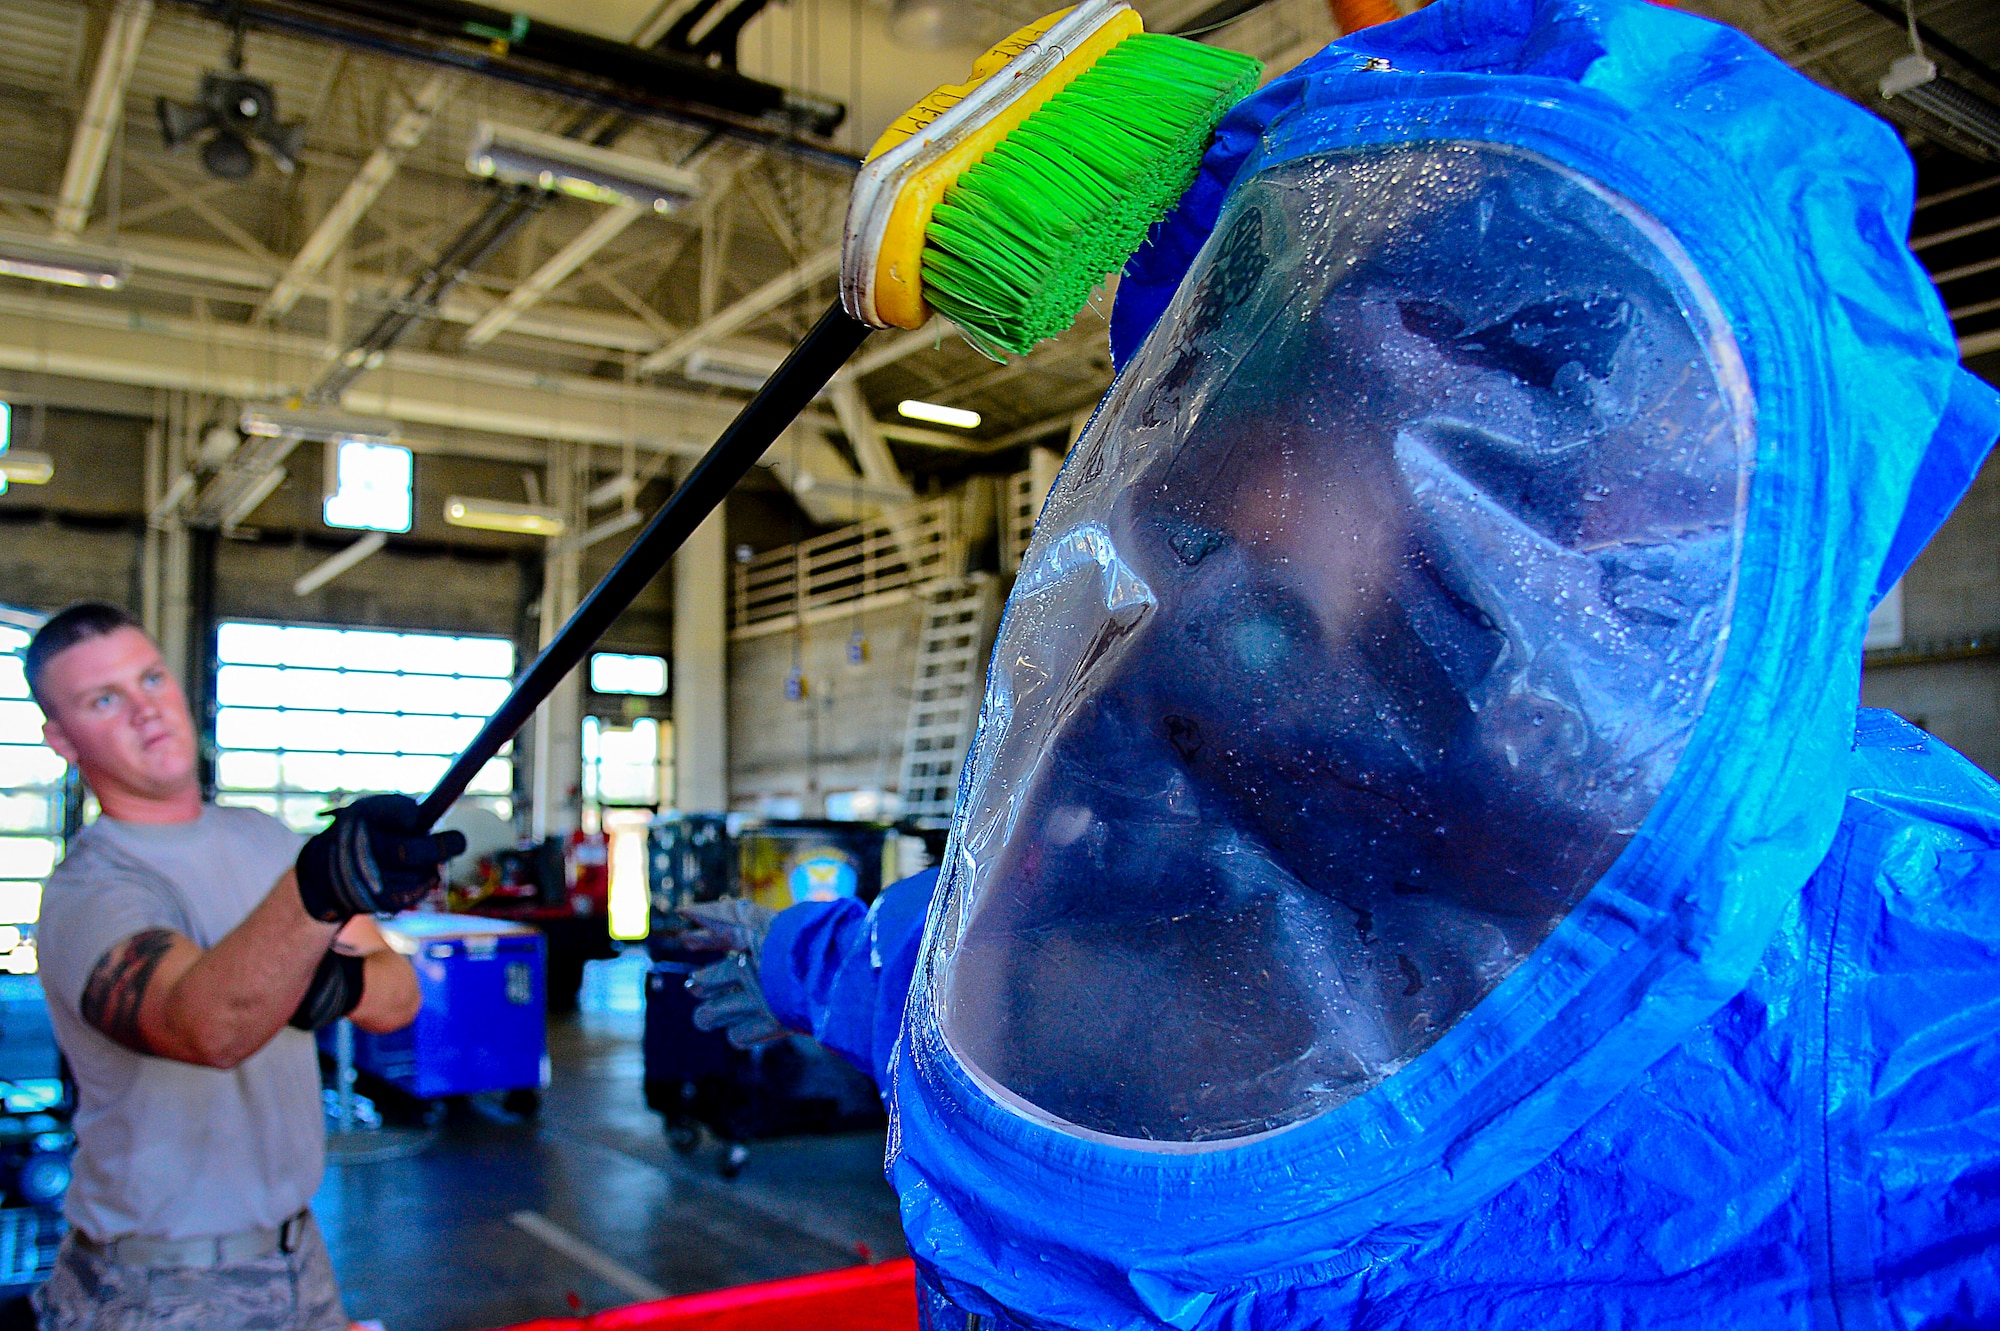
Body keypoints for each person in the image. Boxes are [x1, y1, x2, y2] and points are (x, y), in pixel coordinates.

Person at [685, 0, 2000, 1326]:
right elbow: (1011, 945)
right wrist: (815, 953)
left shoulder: (1919, 1004)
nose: (1190, 505)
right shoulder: (1194, 795)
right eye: (1230, 381)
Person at [24, 603, 464, 1331]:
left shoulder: (263, 838)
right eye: (105, 699)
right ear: (63, 739)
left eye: (151, 678)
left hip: (300, 1256)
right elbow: (203, 1027)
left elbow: (396, 995)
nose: (147, 711)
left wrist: (328, 983)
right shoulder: (89, 890)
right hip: (159, 1283)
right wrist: (320, 889)